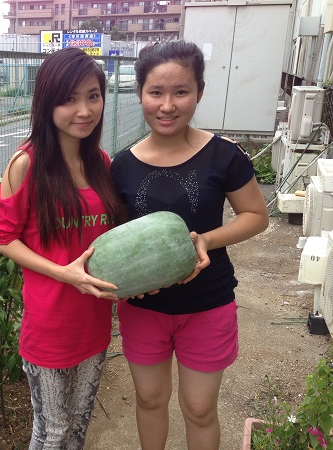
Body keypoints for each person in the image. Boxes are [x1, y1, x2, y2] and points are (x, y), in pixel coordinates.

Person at [110, 40, 269, 450]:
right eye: (156, 92)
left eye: (181, 92)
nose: (167, 105)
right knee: (149, 400)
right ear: (139, 93)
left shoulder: (224, 156)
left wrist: (206, 241)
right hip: (144, 307)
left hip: (208, 303)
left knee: (199, 408)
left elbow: (256, 215)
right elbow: (118, 239)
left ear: (199, 91)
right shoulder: (121, 165)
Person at [0, 47, 123, 449]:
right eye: (69, 99)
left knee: (78, 428)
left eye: (92, 95)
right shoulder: (25, 165)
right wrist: (64, 273)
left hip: (94, 322)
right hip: (49, 327)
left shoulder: (101, 162)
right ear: (47, 102)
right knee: (53, 432)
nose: (83, 110)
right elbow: (3, 237)